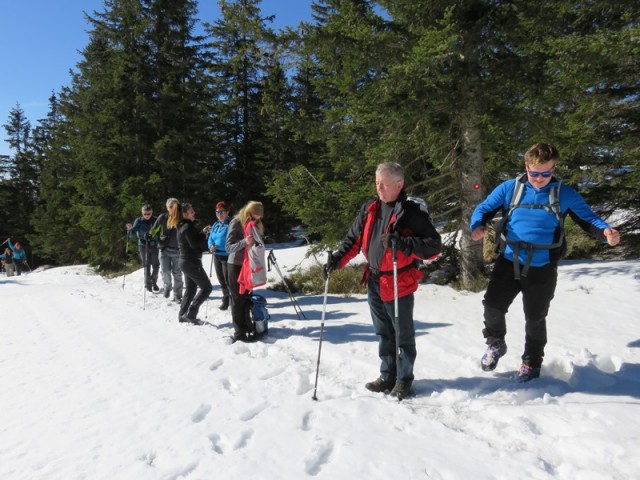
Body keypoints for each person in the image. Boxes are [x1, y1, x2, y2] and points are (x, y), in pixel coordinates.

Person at [470, 142, 621, 382]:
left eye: (546, 173)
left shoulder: (564, 193)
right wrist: (477, 224)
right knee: (492, 307)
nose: (539, 178)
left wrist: (606, 233)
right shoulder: (511, 188)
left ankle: (531, 362)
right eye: (534, 172)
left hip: (542, 267)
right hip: (509, 260)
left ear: (554, 168)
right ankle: (496, 343)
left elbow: (588, 219)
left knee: (535, 317)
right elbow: (485, 208)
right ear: (526, 166)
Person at [324, 162, 442, 399]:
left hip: (399, 281)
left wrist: (405, 244)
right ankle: (387, 375)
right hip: (374, 279)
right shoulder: (370, 208)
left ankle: (404, 379)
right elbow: (353, 240)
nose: (380, 188)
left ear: (399, 184)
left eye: (385, 184)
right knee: (383, 332)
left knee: (402, 334)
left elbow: (433, 246)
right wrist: (337, 260)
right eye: (377, 183)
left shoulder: (410, 213)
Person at [225, 201, 265, 343]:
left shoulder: (254, 224)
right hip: (235, 264)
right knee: (237, 299)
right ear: (248, 213)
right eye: (254, 217)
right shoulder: (236, 222)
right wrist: (244, 242)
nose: (257, 220)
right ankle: (239, 332)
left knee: (248, 297)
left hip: (249, 265)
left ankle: (248, 326)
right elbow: (228, 247)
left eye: (259, 218)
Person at [177, 202, 213, 324]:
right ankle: (190, 313)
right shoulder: (188, 227)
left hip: (186, 262)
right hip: (191, 262)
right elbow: (194, 243)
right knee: (207, 287)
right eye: (192, 211)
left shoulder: (182, 226)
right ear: (186, 214)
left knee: (191, 289)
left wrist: (202, 232)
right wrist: (204, 234)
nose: (194, 213)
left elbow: (191, 240)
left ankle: (182, 314)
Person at [153, 198, 184, 302]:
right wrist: (154, 237)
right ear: (167, 207)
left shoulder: (182, 219)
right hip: (164, 250)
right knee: (165, 271)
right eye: (170, 206)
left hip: (178, 251)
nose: (173, 208)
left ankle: (178, 295)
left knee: (177, 274)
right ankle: (167, 286)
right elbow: (154, 231)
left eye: (175, 206)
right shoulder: (162, 218)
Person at [126, 205, 160, 293]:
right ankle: (148, 285)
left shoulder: (156, 220)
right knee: (147, 265)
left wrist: (155, 237)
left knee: (156, 266)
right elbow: (131, 234)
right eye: (145, 214)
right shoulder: (139, 221)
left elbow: (160, 232)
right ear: (142, 213)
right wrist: (129, 230)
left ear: (151, 212)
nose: (147, 215)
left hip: (154, 245)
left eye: (148, 213)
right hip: (143, 245)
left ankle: (153, 281)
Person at [207, 201, 232, 310]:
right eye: (217, 212)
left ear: (227, 212)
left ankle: (232, 299)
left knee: (228, 280)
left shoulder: (231, 223)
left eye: (222, 212)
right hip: (217, 255)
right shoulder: (216, 224)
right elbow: (210, 238)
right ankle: (226, 298)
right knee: (221, 279)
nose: (219, 214)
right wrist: (210, 245)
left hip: (228, 255)